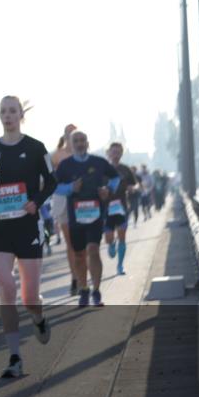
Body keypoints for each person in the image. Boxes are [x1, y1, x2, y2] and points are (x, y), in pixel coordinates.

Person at [0, 97, 56, 378]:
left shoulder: (35, 148)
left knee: (28, 298)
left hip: (28, 226)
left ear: (21, 115)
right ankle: (14, 357)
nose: (7, 115)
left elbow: (52, 181)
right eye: (3, 111)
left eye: (12, 111)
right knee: (6, 288)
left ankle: (38, 317)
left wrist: (36, 202)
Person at [53, 131, 120, 307]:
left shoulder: (98, 162)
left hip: (95, 215)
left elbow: (115, 177)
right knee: (78, 255)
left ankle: (96, 290)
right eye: (76, 140)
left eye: (83, 140)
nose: (80, 143)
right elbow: (55, 187)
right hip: (75, 217)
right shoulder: (65, 165)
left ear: (87, 143)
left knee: (93, 250)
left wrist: (108, 189)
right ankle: (84, 289)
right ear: (71, 143)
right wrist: (70, 188)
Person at [50, 125, 78, 295]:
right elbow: (50, 178)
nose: (72, 137)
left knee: (82, 242)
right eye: (69, 134)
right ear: (65, 136)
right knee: (70, 244)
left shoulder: (82, 154)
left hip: (81, 201)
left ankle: (82, 274)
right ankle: (74, 277)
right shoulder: (56, 155)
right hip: (62, 200)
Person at [102, 142, 137, 276]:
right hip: (106, 208)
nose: (116, 154)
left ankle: (120, 265)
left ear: (121, 153)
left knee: (122, 236)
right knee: (109, 237)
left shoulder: (125, 169)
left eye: (118, 152)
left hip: (122, 206)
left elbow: (135, 184)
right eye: (114, 152)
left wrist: (133, 188)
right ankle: (111, 244)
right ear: (109, 153)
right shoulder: (103, 169)